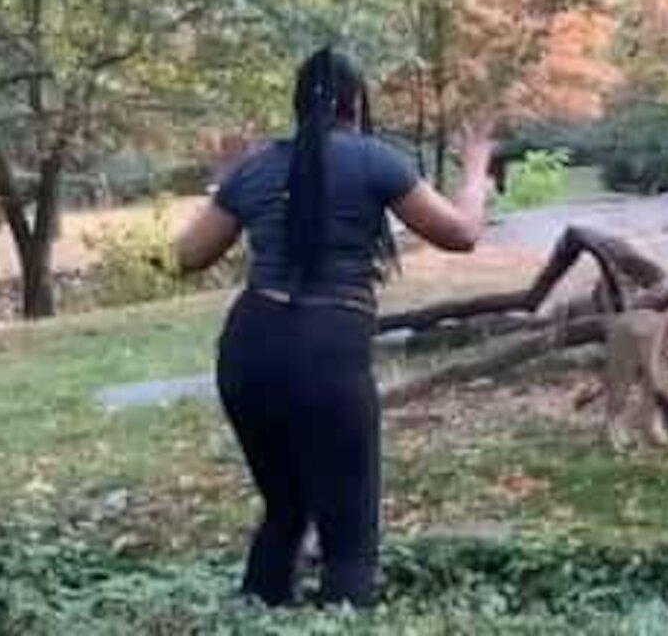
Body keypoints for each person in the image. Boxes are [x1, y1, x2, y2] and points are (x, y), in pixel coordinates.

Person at [169, 46, 496, 608]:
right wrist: (475, 172)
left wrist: (231, 183)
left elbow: (186, 255)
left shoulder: (260, 165)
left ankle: (258, 612)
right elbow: (462, 234)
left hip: (249, 350)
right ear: (354, 103)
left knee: (287, 507)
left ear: (298, 106)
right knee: (349, 534)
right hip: (327, 353)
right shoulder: (375, 160)